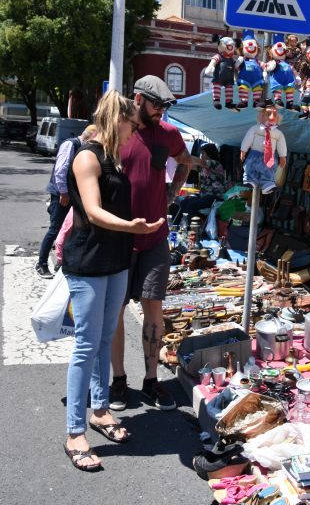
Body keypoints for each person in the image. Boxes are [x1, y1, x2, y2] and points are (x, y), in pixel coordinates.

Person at [62, 90, 164, 472]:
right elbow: (92, 210)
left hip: (116, 261)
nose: (132, 132)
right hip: (88, 262)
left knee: (104, 339)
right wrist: (133, 227)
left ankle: (101, 410)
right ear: (115, 120)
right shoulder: (87, 157)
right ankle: (74, 432)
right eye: (130, 125)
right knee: (86, 346)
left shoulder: (114, 158)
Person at [110, 75, 191, 412]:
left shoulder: (169, 134)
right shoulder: (119, 132)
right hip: (117, 239)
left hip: (156, 237)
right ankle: (118, 381)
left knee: (153, 308)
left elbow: (184, 161)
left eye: (165, 106)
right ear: (138, 99)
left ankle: (151, 380)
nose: (162, 111)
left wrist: (172, 194)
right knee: (114, 312)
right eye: (157, 104)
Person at [35, 123, 97, 278]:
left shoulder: (83, 148)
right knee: (55, 229)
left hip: (72, 195)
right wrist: (63, 192)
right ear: (90, 137)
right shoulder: (71, 144)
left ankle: (62, 263)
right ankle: (41, 264)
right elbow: (60, 170)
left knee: (71, 229)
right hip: (61, 194)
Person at [240, 99, 287, 194]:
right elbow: (247, 139)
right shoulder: (255, 129)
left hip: (270, 157)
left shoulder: (278, 134)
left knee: (269, 171)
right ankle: (250, 181)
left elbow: (282, 145)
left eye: (274, 114)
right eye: (268, 114)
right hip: (254, 154)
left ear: (278, 118)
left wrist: (283, 156)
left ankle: (267, 184)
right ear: (261, 117)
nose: (271, 117)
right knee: (250, 167)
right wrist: (243, 150)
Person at [176, 144, 227, 225]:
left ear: (209, 154)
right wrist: (179, 160)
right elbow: (192, 166)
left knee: (191, 205)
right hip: (205, 196)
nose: (201, 155)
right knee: (184, 202)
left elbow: (200, 162)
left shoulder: (215, 163)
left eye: (203, 153)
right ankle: (177, 226)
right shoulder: (202, 166)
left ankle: (193, 229)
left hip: (215, 197)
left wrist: (185, 158)